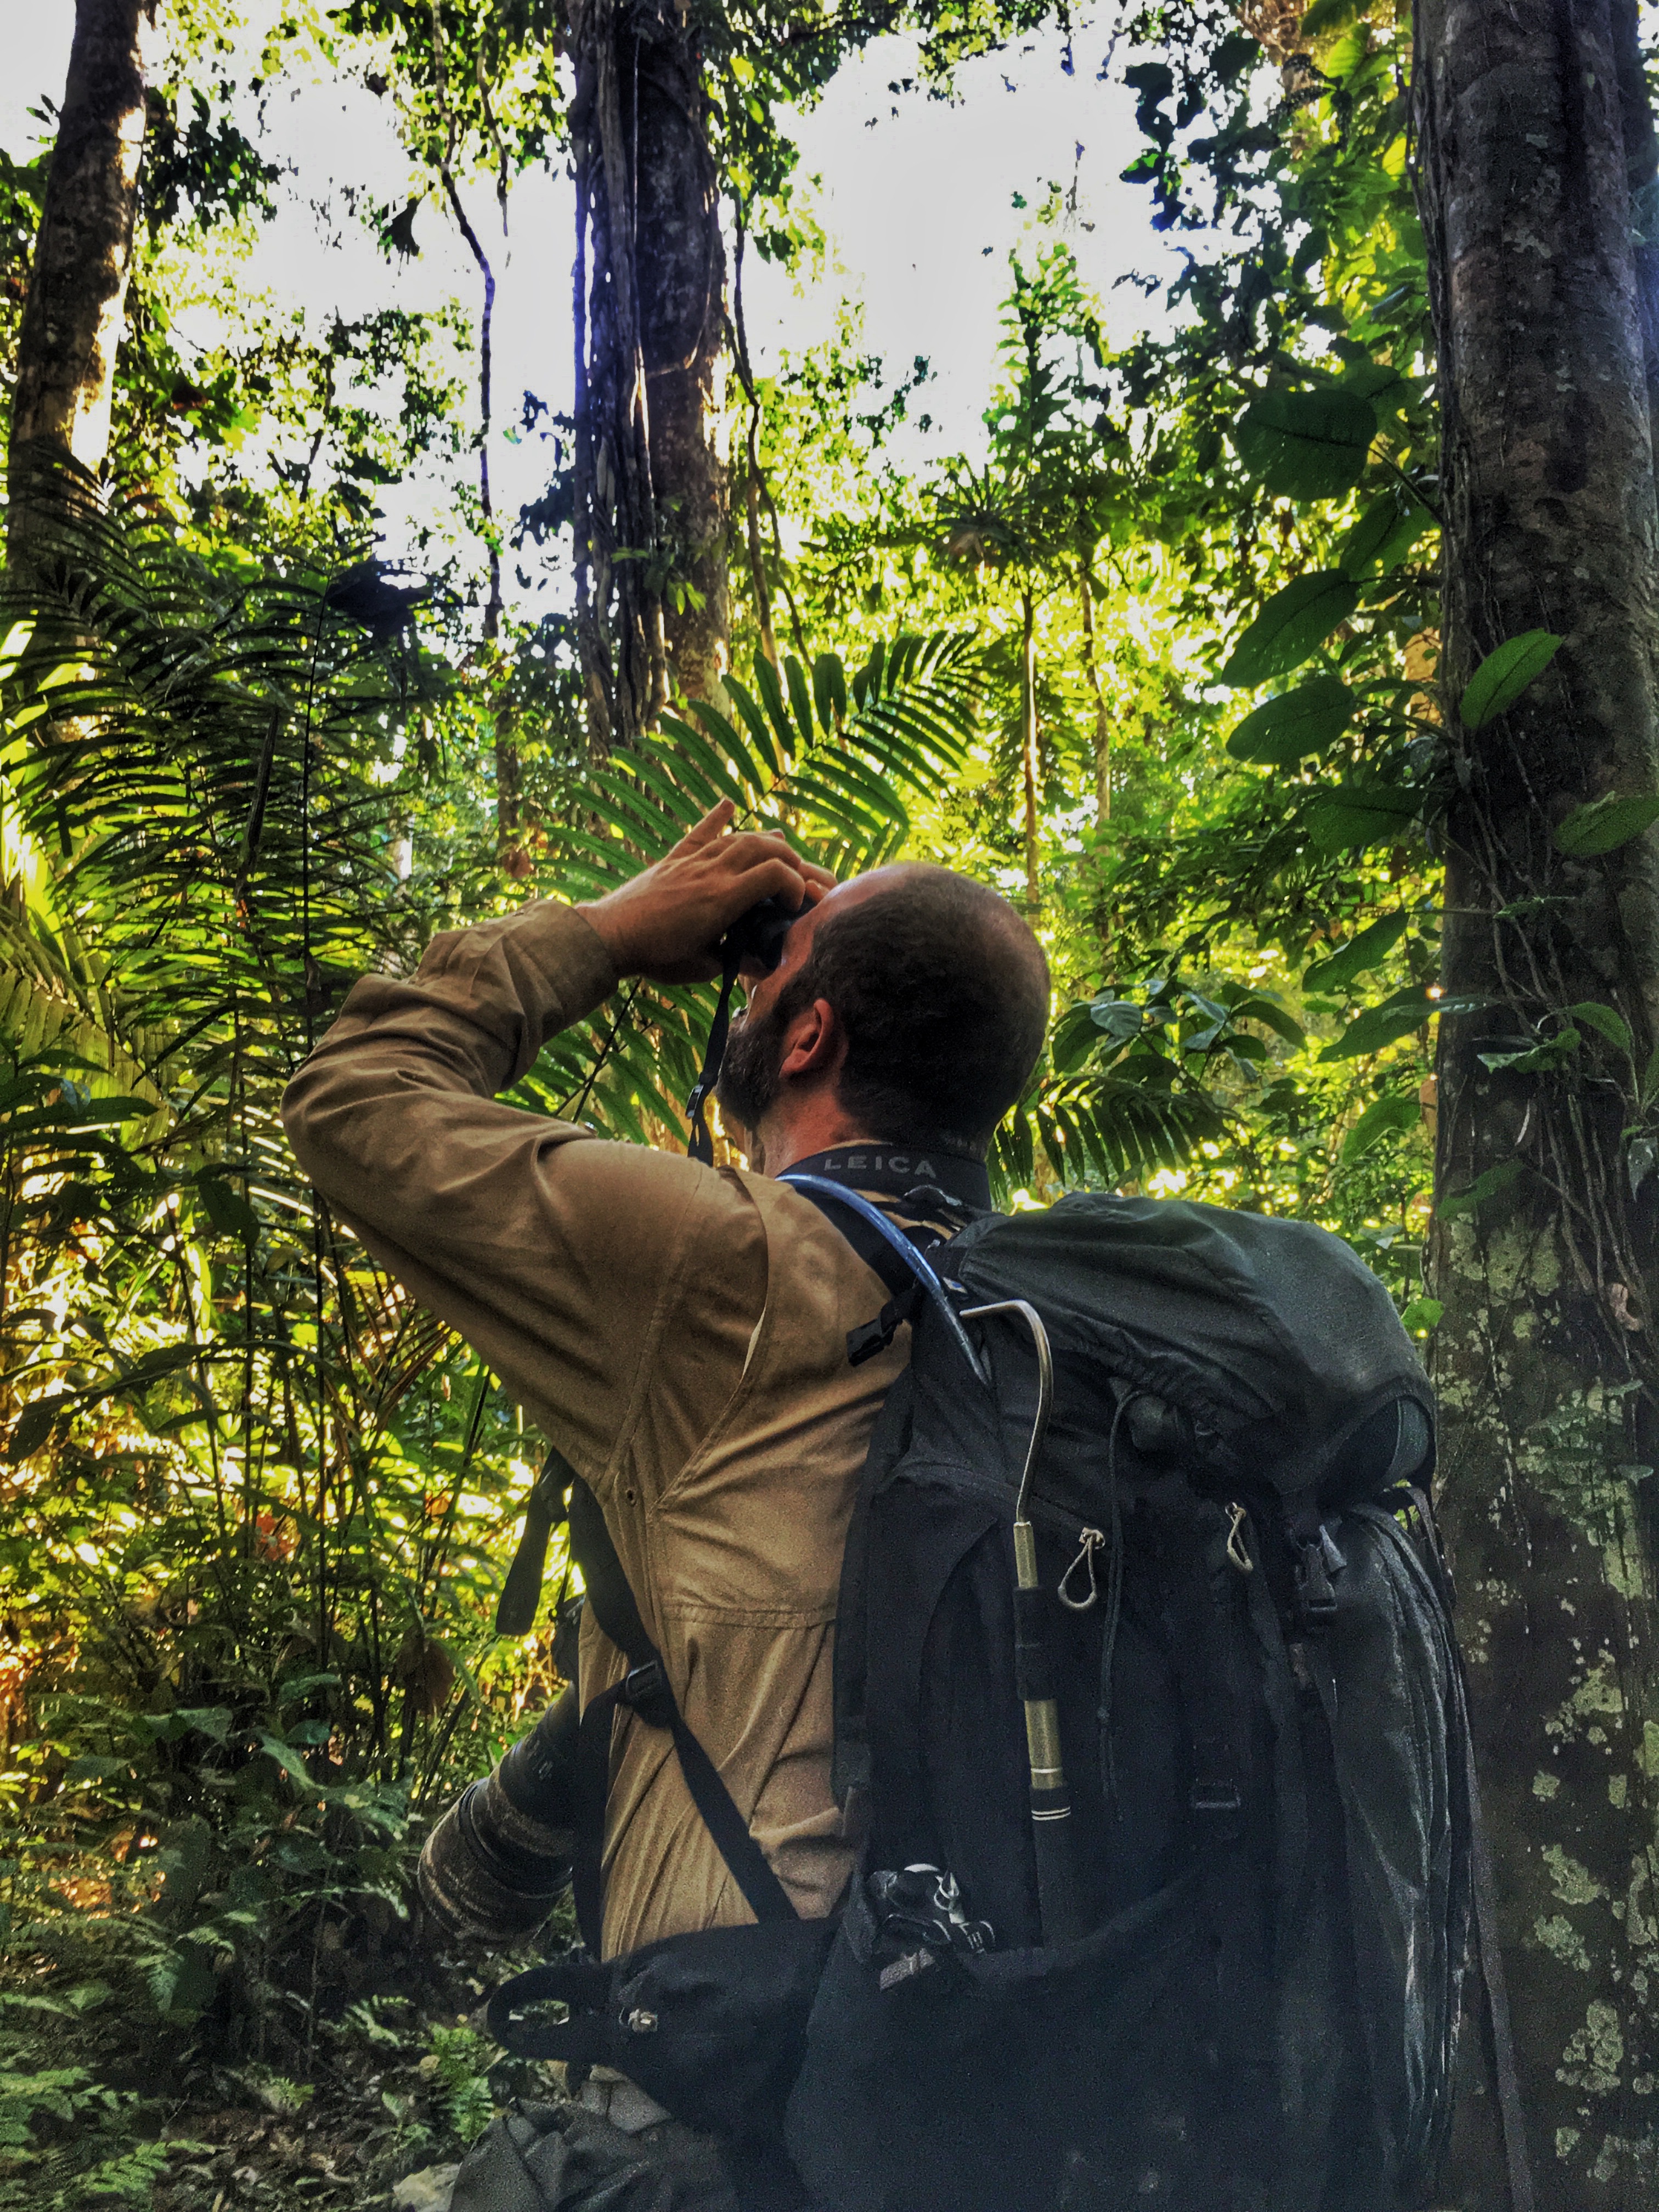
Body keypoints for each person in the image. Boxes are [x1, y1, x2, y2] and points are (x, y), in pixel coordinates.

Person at [280, 800, 1049, 2184]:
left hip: (743, 2087)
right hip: (1003, 2059)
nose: (750, 984)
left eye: (777, 966)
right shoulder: (1037, 1326)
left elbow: (355, 1096)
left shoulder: (726, 1272)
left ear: (808, 1037)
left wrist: (614, 928)